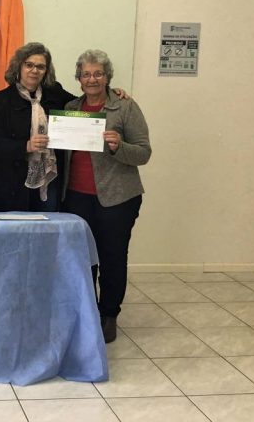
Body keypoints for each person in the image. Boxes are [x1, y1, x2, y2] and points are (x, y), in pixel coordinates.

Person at [61, 49, 151, 343]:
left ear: (107, 77)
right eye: (86, 74)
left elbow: (144, 153)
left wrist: (118, 147)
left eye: (98, 73)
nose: (92, 79)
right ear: (78, 78)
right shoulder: (70, 107)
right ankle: (87, 313)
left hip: (118, 198)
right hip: (76, 197)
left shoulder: (124, 107)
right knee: (83, 260)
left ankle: (109, 314)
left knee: (112, 259)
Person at [0, 42, 75, 213]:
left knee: (46, 228)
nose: (34, 70)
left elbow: (83, 105)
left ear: (46, 71)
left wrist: (110, 93)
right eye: (29, 65)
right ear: (19, 66)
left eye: (40, 67)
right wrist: (26, 146)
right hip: (10, 182)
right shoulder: (0, 101)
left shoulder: (56, 94)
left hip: (48, 180)